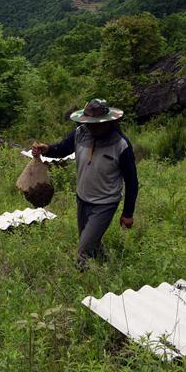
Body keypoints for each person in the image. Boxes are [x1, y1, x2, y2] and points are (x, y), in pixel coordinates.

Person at [32, 98, 139, 270]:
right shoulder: (80, 133)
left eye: (96, 124)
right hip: (82, 199)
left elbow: (132, 181)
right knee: (91, 242)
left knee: (84, 249)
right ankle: (107, 267)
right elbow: (63, 149)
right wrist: (48, 149)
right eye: (89, 123)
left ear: (108, 121)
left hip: (105, 203)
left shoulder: (121, 145)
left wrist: (128, 213)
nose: (92, 127)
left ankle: (83, 283)